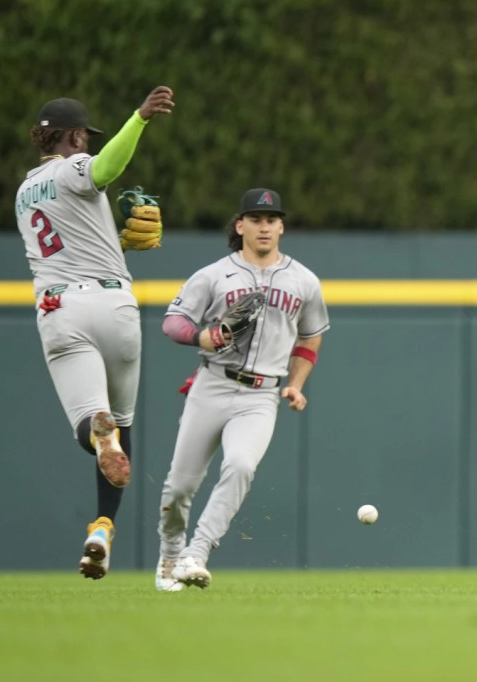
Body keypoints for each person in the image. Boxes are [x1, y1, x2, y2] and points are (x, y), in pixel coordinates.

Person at [14, 86, 174, 579]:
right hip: (115, 303)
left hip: (63, 308)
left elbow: (72, 236)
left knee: (95, 426)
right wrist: (140, 120)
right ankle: (103, 525)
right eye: (85, 136)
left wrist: (115, 240)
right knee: (122, 424)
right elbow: (105, 169)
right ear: (75, 135)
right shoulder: (75, 167)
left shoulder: (24, 192)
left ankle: (97, 440)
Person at [155, 187, 330, 591]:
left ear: (282, 226)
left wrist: (296, 384)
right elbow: (173, 322)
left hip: (260, 395)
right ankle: (169, 553)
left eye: (271, 220)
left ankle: (196, 553)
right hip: (212, 384)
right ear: (241, 225)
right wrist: (202, 337)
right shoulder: (214, 275)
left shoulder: (304, 281)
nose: (264, 226)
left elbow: (310, 338)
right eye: (255, 219)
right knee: (180, 486)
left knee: (241, 466)